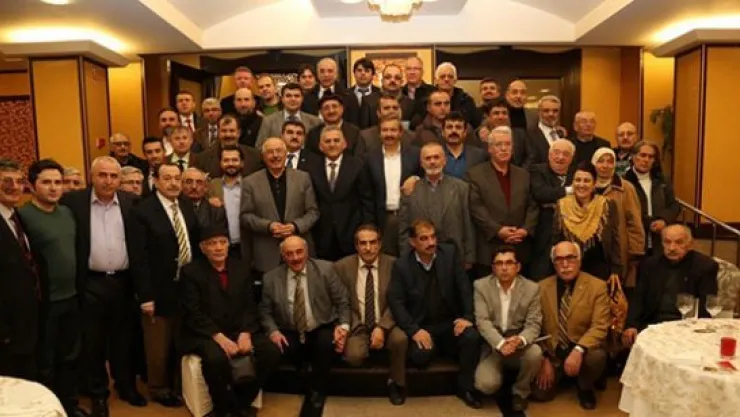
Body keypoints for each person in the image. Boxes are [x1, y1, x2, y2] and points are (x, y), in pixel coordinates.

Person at [61, 156, 145, 415]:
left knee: (124, 339)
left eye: (113, 176)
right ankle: (98, 394)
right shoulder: (73, 202)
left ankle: (126, 385)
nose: (108, 181)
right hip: (90, 282)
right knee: (93, 342)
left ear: (120, 179)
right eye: (102, 175)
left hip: (124, 281)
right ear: (92, 177)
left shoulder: (132, 202)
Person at [180, 225, 281, 417]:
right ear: (203, 248)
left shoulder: (242, 268)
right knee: (216, 359)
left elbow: (250, 305)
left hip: (238, 328)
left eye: (222, 242)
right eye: (212, 243)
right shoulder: (190, 272)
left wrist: (245, 333)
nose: (218, 247)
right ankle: (223, 408)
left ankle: (242, 402)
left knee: (271, 352)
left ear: (228, 245)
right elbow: (193, 312)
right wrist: (219, 337)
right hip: (205, 333)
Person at [387, 219, 482, 409]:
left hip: (449, 322)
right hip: (423, 326)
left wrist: (467, 317)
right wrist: (414, 331)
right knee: (420, 357)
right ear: (412, 242)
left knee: (471, 337)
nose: (431, 243)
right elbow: (396, 302)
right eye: (424, 239)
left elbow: (464, 287)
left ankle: (465, 388)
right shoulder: (402, 265)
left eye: (433, 237)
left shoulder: (450, 254)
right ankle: (438, 350)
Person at [19, 159, 88, 417]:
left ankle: (69, 405)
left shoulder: (67, 213)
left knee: (69, 357)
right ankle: (47, 410)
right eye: (46, 182)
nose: (53, 188)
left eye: (58, 182)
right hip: (44, 303)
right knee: (45, 361)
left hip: (72, 297)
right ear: (32, 185)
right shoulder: (23, 217)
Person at [129, 162, 201, 407]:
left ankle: (178, 385)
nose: (173, 183)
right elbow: (138, 258)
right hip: (157, 288)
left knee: (180, 339)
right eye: (167, 178)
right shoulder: (143, 211)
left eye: (177, 178)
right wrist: (145, 296)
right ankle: (158, 388)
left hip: (185, 286)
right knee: (158, 344)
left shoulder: (186, 206)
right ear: (156, 182)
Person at [259, 235, 350, 416]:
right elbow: (264, 311)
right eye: (289, 254)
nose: (295, 257)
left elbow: (342, 302)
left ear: (307, 252)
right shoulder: (271, 278)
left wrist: (344, 326)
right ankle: (303, 379)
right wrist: (273, 331)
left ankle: (317, 392)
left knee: (325, 344)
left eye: (299, 252)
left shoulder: (326, 270)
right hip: (289, 328)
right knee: (283, 347)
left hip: (321, 324)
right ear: (283, 256)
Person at [333, 225, 408, 405]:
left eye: (373, 242)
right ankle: (368, 348)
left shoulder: (394, 265)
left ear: (380, 244)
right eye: (363, 243)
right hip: (357, 324)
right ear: (356, 246)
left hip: (388, 322)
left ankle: (396, 382)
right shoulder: (341, 267)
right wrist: (354, 325)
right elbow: (340, 302)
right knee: (354, 357)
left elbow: (399, 300)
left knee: (400, 339)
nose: (368, 248)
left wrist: (382, 327)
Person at [532, 241, 610, 410]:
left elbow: (600, 326)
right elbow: (534, 326)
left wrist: (578, 350)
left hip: (583, 349)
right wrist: (544, 358)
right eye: (559, 260)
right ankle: (563, 375)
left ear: (579, 261)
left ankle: (585, 385)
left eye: (570, 258)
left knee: (597, 357)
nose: (565, 264)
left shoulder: (597, 286)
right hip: (554, 351)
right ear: (554, 264)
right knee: (540, 394)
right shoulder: (540, 287)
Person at [622, 224, 719, 347]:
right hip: (652, 324)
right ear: (661, 243)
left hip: (685, 326)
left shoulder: (705, 266)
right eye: (667, 242)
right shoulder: (650, 264)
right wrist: (631, 325)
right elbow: (638, 298)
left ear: (690, 244)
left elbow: (707, 306)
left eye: (679, 242)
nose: (672, 248)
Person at [474, 247, 542, 413]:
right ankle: (500, 377)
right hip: (493, 344)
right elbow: (482, 321)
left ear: (518, 267)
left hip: (518, 343)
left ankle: (520, 392)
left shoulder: (532, 288)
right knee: (485, 385)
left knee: (535, 352)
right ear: (493, 268)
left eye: (509, 263)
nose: (504, 268)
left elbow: (533, 324)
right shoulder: (481, 286)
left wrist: (519, 340)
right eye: (499, 263)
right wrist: (501, 343)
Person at [239, 138, 319, 277]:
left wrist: (295, 226)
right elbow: (245, 216)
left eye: (279, 151)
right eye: (270, 152)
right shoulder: (249, 182)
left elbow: (313, 212)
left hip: (298, 246)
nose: (275, 155)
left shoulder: (303, 178)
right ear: (263, 156)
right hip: (266, 251)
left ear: (286, 154)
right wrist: (268, 226)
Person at [466, 126, 538, 278]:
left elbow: (532, 205)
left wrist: (525, 229)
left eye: (508, 144)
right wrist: (498, 230)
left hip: (520, 247)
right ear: (490, 149)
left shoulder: (523, 175)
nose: (504, 148)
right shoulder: (475, 175)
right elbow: (476, 208)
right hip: (490, 248)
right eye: (499, 145)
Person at [398, 142, 475, 268]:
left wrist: (469, 257)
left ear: (444, 161)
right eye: (428, 158)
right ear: (421, 163)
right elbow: (404, 228)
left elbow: (468, 225)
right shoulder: (410, 190)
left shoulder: (461, 188)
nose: (432, 162)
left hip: (454, 257)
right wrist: (406, 257)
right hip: (420, 259)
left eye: (436, 157)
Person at [305, 126, 374, 261]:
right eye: (328, 141)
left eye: (336, 140)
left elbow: (367, 202)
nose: (332, 144)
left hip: (351, 233)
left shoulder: (358, 166)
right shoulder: (309, 167)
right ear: (320, 146)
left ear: (344, 144)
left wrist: (366, 230)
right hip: (321, 235)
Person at [0, 159, 40, 380]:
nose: (14, 187)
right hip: (5, 330)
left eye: (19, 181)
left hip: (24, 322)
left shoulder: (17, 217)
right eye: (7, 181)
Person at [553, 162, 621, 280]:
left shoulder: (606, 205)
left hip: (600, 270)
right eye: (578, 180)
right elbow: (556, 240)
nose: (581, 185)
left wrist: (616, 270)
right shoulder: (562, 205)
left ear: (594, 184)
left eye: (586, 181)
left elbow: (615, 240)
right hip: (569, 269)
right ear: (572, 183)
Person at [364, 117, 421, 256]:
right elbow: (367, 195)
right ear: (379, 133)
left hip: (411, 217)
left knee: (412, 258)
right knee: (387, 260)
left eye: (393, 130)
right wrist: (370, 225)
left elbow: (427, 176)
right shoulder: (369, 158)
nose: (389, 134)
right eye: (385, 130)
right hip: (383, 219)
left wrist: (416, 178)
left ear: (401, 133)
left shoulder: (415, 154)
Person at [592, 147, 645, 289]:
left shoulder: (625, 188)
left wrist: (635, 252)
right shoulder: (586, 185)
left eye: (610, 161)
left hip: (618, 250)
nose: (605, 165)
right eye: (601, 161)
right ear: (594, 163)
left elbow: (634, 222)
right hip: (592, 250)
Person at [623, 140, 680, 256]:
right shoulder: (624, 181)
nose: (646, 160)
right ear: (633, 157)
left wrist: (664, 220)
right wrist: (650, 223)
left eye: (650, 157)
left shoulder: (662, 180)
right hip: (634, 239)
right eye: (643, 155)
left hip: (659, 239)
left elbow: (673, 205)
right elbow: (625, 211)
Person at [529, 139, 575, 280]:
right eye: (557, 152)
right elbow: (541, 193)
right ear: (549, 155)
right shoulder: (537, 170)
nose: (560, 157)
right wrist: (569, 191)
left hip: (571, 234)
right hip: (544, 236)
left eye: (565, 154)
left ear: (571, 158)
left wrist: (553, 201)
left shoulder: (577, 174)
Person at [256, 83, 321, 149]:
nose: (293, 99)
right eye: (288, 96)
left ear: (302, 99)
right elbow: (260, 147)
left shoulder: (315, 122)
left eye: (296, 96)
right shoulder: (269, 121)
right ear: (282, 99)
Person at [195, 115, 262, 179]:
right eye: (224, 131)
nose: (228, 135)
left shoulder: (255, 156)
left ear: (239, 133)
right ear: (218, 132)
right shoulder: (203, 159)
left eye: (232, 131)